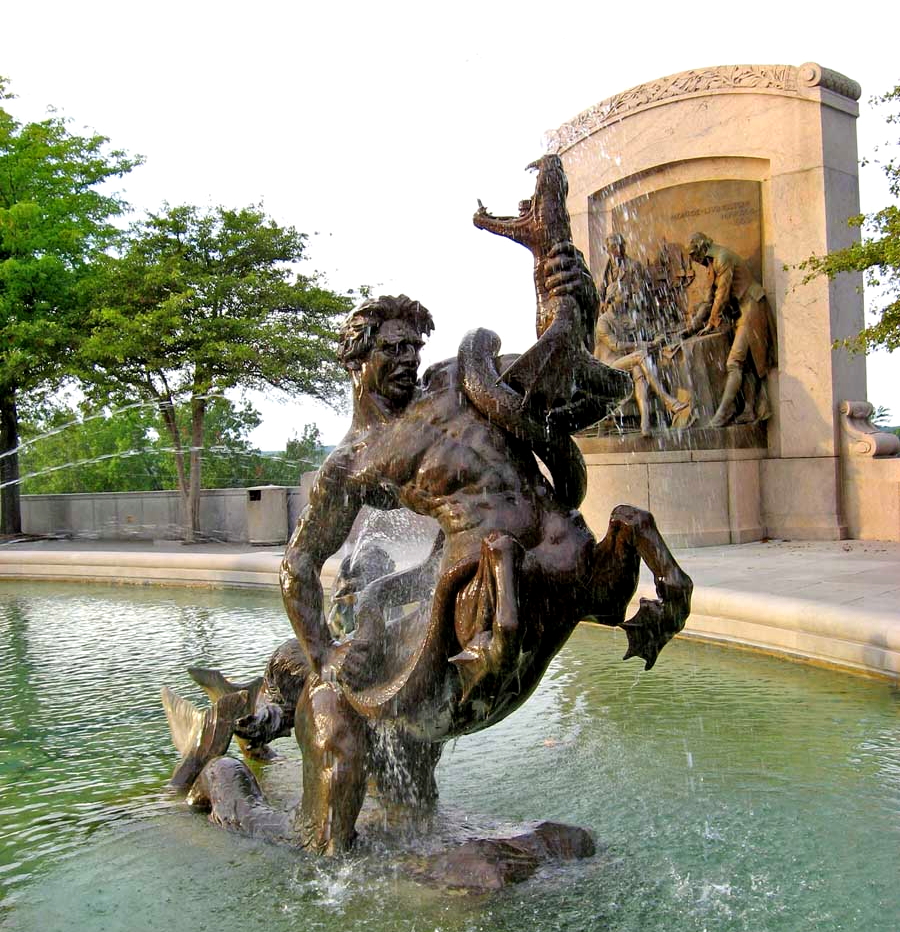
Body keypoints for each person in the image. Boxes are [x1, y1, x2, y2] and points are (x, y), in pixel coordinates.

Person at [277, 271, 691, 854]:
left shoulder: (457, 377)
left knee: (631, 522)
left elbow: (556, 370)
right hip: (487, 572)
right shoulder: (352, 464)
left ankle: (670, 598)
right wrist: (322, 654)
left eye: (413, 346)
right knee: (496, 557)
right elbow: (298, 562)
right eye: (392, 348)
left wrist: (566, 294)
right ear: (358, 359)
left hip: (564, 543)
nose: (408, 358)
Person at [683, 232, 775, 427]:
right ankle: (749, 409)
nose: (694, 260)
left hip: (751, 307)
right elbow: (709, 300)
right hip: (741, 312)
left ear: (701, 248)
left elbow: (722, 296)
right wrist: (692, 327)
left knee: (734, 362)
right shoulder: (711, 265)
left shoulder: (722, 258)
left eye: (694, 255)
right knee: (747, 363)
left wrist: (711, 323)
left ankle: (722, 414)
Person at [595, 285, 691, 436]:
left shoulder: (625, 317)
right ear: (612, 299)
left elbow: (647, 331)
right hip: (608, 367)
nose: (627, 296)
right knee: (640, 355)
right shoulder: (603, 321)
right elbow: (616, 346)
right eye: (622, 294)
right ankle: (668, 400)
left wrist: (658, 337)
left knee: (639, 373)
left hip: (625, 363)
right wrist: (644, 344)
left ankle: (645, 425)